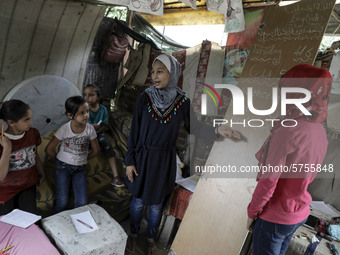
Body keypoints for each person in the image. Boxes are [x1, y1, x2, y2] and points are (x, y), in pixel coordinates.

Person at [125, 53, 241, 255]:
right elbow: (134, 132)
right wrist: (129, 161)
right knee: (138, 201)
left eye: (160, 72)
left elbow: (195, 128)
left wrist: (217, 131)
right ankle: (133, 237)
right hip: (143, 158)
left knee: (157, 204)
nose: (154, 76)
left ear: (173, 73)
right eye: (153, 72)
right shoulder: (144, 99)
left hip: (164, 161)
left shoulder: (182, 102)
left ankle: (150, 240)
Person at [246, 64, 332, 255]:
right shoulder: (319, 130)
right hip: (298, 212)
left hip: (275, 216)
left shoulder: (288, 130)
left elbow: (269, 180)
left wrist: (252, 212)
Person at [45, 96, 99, 213]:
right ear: (70, 115)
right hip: (63, 167)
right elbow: (49, 149)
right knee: (62, 200)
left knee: (82, 202)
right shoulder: (64, 129)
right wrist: (59, 160)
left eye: (87, 111)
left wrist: (83, 158)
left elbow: (96, 151)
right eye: (81, 113)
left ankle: (79, 226)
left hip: (81, 168)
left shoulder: (90, 129)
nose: (86, 115)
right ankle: (59, 226)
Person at [0, 99, 45, 215]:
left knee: (30, 221)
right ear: (11, 122)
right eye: (26, 120)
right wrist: (7, 148)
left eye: (30, 118)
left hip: (28, 186)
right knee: (8, 224)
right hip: (5, 192)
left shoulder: (33, 133)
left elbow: (34, 154)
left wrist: (41, 172)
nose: (31, 122)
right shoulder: (2, 143)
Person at [83, 84, 124, 187]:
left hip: (98, 133)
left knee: (108, 145)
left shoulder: (103, 110)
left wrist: (98, 130)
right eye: (85, 95)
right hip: (86, 134)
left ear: (98, 97)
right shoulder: (84, 109)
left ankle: (116, 177)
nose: (87, 98)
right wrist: (92, 127)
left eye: (91, 95)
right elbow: (82, 124)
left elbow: (104, 125)